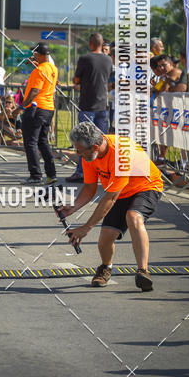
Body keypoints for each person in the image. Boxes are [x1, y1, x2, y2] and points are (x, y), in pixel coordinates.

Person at [61, 121, 163, 292]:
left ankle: (143, 271)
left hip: (146, 186)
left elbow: (110, 198)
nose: (77, 154)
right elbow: (89, 188)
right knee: (105, 238)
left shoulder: (121, 153)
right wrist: (71, 208)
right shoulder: (89, 156)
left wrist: (86, 227)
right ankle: (106, 267)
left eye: (79, 151)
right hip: (121, 191)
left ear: (95, 147)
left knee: (133, 217)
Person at [67, 31, 113, 182]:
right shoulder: (108, 59)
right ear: (102, 44)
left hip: (87, 105)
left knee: (83, 141)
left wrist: (80, 81)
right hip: (103, 105)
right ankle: (103, 172)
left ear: (91, 43)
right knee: (101, 142)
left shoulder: (85, 58)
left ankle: (82, 173)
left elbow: (76, 79)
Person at [20, 43, 58, 183]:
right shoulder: (53, 68)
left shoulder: (39, 70)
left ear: (40, 55)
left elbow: (35, 90)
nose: (33, 56)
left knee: (31, 142)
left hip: (36, 108)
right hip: (48, 108)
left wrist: (23, 105)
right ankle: (51, 174)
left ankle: (35, 175)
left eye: (35, 54)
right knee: (43, 141)